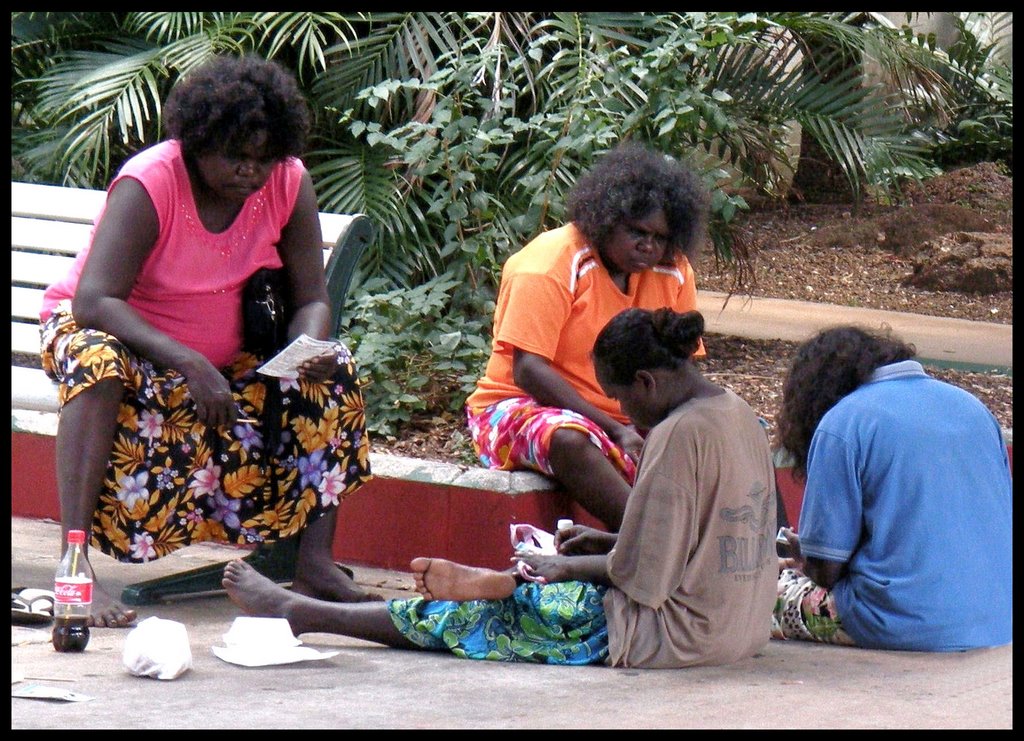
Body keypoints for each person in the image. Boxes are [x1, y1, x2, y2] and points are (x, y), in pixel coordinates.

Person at [222, 308, 778, 668]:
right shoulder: (738, 414)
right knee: (537, 581)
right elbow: (701, 542)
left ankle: (306, 614)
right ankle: (506, 583)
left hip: (677, 636)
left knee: (476, 618)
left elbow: (647, 582)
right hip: (740, 625)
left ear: (648, 382)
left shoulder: (677, 436)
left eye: (621, 398)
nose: (624, 414)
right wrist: (607, 543)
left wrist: (569, 568)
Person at [39, 54, 374, 629]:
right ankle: (75, 565)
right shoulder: (152, 183)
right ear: (199, 142)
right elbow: (94, 302)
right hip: (115, 335)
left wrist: (306, 349)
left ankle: (314, 564)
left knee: (334, 369)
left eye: (263, 159)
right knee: (97, 365)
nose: (250, 171)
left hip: (222, 358)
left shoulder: (288, 183)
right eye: (235, 157)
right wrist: (189, 362)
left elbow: (312, 297)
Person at [464, 142, 708, 531]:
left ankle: (774, 559)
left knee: (727, 431)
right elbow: (528, 371)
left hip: (629, 413)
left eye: (660, 237)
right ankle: (646, 544)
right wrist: (615, 429)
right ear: (606, 217)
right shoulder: (549, 263)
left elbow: (682, 368)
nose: (648, 246)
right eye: (636, 232)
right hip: (519, 406)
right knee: (569, 438)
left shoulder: (674, 271)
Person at [772, 326, 1012, 651]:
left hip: (906, 623)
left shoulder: (843, 422)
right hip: (998, 617)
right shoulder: (973, 408)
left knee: (756, 594)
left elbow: (825, 572)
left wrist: (808, 556)